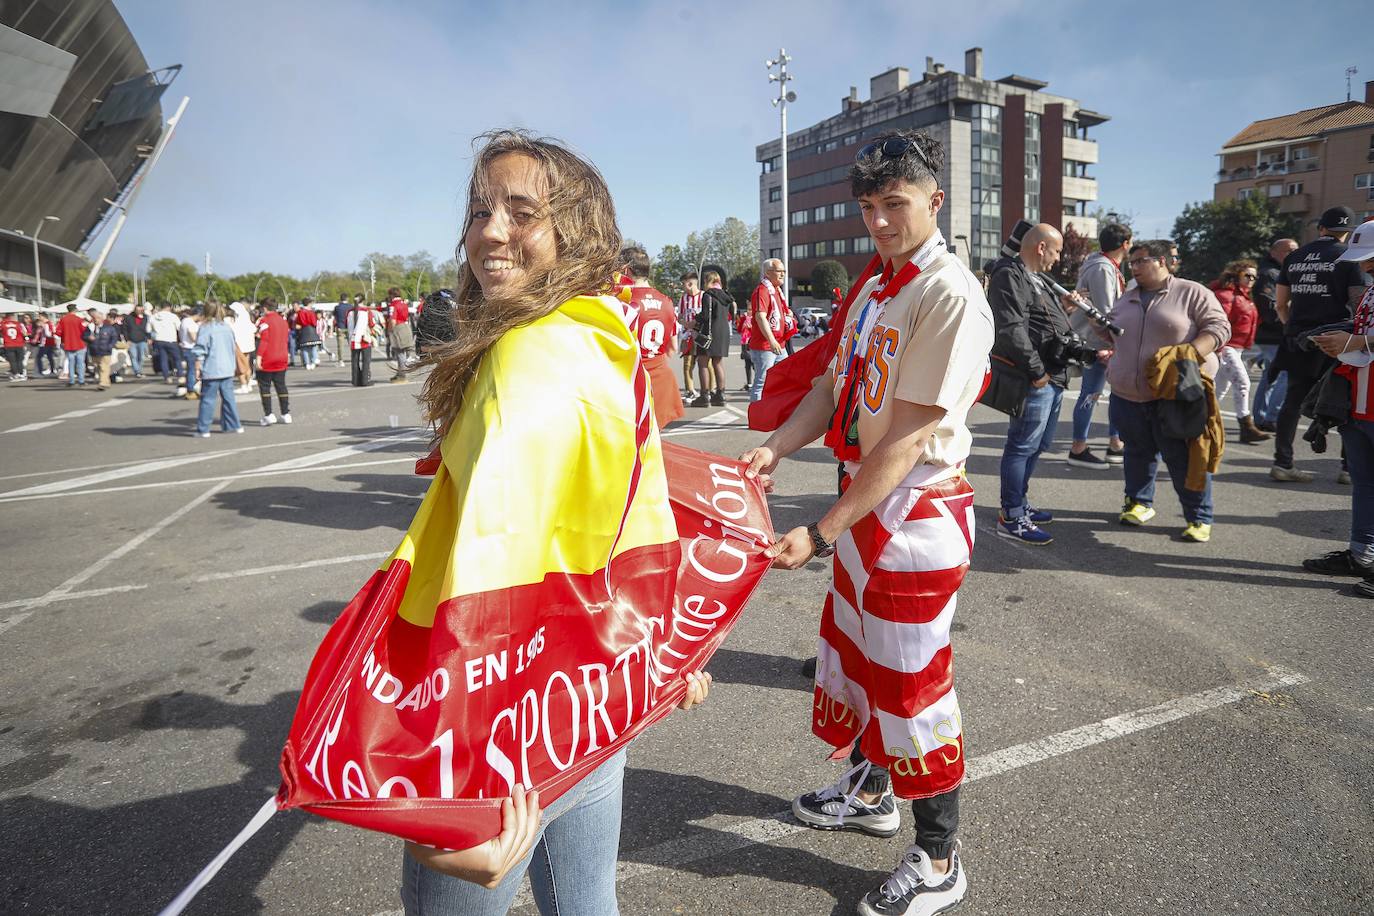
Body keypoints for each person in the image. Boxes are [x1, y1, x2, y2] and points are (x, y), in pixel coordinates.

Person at [398, 128, 711, 916]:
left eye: (521, 211)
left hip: (508, 732)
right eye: (478, 209)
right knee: (586, 904)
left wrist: (461, 792)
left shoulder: (525, 359)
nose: (490, 231)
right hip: (592, 700)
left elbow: (489, 588)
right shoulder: (595, 336)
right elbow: (638, 506)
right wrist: (661, 648)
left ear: (574, 229)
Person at [740, 128, 991, 916]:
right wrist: (774, 448)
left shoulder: (946, 293)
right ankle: (874, 792)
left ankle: (941, 857)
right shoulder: (879, 286)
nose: (881, 220)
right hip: (867, 499)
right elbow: (829, 389)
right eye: (870, 206)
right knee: (856, 660)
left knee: (913, 688)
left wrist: (820, 531)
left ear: (933, 201)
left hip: (914, 509)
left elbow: (911, 438)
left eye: (897, 204)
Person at [1107, 240, 1230, 542]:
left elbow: (1219, 328)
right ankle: (1138, 502)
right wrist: (1093, 321)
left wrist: (1187, 354)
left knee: (1184, 458)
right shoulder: (1128, 297)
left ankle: (1198, 517)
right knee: (1137, 452)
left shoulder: (1191, 292)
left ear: (1161, 261)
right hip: (1127, 394)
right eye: (1131, 263)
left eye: (1140, 261)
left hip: (1175, 393)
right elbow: (1113, 332)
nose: (1133, 267)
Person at [988, 223, 1086, 544]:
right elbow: (1011, 328)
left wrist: (1066, 308)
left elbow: (1044, 322)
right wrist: (1036, 372)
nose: (1058, 259)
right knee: (1021, 445)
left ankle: (1021, 503)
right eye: (1056, 251)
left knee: (1038, 445)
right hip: (1036, 378)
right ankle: (1012, 514)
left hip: (1052, 376)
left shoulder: (1039, 280)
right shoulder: (1009, 274)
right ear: (1041, 247)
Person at [1271, 207, 1371, 482]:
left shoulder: (1294, 256)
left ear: (1321, 228)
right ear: (1348, 232)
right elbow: (1358, 303)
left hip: (1299, 339)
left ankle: (1283, 463)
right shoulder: (1349, 258)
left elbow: (1280, 304)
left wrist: (1293, 328)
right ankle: (1347, 468)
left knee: (1292, 403)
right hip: (1337, 339)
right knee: (1344, 402)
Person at [1304, 219, 1374, 594]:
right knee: (1364, 484)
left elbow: (1362, 338)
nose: (1364, 266)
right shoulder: (1369, 291)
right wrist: (1333, 336)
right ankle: (1363, 555)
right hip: (1359, 401)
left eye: (1370, 259)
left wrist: (1354, 341)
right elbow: (1359, 332)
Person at [1067, 222, 1131, 468]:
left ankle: (1115, 443)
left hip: (1102, 340)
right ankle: (1079, 447)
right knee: (1091, 393)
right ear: (1125, 244)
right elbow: (1106, 310)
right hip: (1099, 342)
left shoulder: (1102, 265)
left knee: (1117, 393)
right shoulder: (1103, 268)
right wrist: (1115, 339)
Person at [621, 245, 685, 428]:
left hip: (630, 381)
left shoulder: (623, 301)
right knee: (654, 447)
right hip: (661, 378)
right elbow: (673, 347)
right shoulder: (667, 301)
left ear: (626, 269)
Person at [1209, 260, 1269, 444]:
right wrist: (1217, 349)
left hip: (1238, 348)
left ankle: (1202, 425)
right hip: (1226, 346)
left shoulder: (1244, 296)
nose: (1251, 279)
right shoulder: (1226, 295)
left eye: (1254, 276)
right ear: (1236, 275)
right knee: (1243, 382)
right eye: (1247, 275)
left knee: (1218, 390)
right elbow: (1218, 323)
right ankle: (1246, 426)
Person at [1251, 238, 1298, 431]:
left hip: (1274, 335)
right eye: (1288, 250)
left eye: (1295, 250)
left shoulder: (1280, 272)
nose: (1293, 254)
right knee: (1285, 374)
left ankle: (1262, 417)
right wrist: (1290, 315)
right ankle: (1272, 417)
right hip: (1273, 335)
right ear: (1273, 253)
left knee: (1270, 376)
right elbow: (1268, 306)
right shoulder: (1270, 273)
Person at [190, 301, 244, 437]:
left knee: (208, 400)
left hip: (212, 368)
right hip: (227, 368)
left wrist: (198, 367)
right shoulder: (226, 327)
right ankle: (234, 425)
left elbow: (201, 350)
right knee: (229, 399)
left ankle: (204, 429)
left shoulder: (205, 328)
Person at [747, 259, 788, 401]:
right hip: (765, 346)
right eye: (779, 271)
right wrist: (772, 340)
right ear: (768, 273)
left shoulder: (776, 291)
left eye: (784, 271)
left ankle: (771, 414)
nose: (783, 274)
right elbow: (760, 317)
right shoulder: (762, 290)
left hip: (779, 345)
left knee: (784, 379)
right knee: (761, 382)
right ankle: (756, 419)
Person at [694, 270, 734, 407]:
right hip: (723, 333)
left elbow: (705, 316)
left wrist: (695, 317)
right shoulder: (726, 296)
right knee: (718, 363)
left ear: (707, 281)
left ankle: (704, 395)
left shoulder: (708, 295)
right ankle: (720, 394)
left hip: (709, 332)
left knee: (703, 363)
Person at [255, 298, 292, 425]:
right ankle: (286, 413)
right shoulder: (283, 321)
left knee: (265, 387)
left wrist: (259, 357)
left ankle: (269, 414)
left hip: (268, 357)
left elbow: (264, 340)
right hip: (282, 356)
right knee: (281, 385)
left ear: (264, 308)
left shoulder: (264, 321)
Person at [677, 272, 702, 401]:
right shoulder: (683, 298)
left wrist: (696, 325)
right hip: (688, 336)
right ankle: (690, 390)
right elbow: (679, 316)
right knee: (687, 364)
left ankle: (709, 389)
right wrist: (684, 323)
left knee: (706, 364)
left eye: (684, 284)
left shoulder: (704, 296)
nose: (683, 287)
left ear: (691, 283)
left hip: (701, 335)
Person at [385, 287, 416, 382]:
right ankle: (400, 373)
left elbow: (392, 320)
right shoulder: (404, 303)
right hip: (405, 326)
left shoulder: (393, 305)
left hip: (397, 328)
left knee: (399, 353)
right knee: (402, 352)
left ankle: (402, 374)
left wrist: (389, 331)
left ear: (392, 295)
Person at [56, 302, 89, 387]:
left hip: (68, 344)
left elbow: (58, 332)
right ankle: (81, 380)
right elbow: (84, 330)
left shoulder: (63, 320)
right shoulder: (79, 319)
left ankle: (71, 381)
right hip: (79, 343)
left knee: (71, 362)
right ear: (75, 310)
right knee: (80, 363)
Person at [228, 301, 258, 393]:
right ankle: (248, 383)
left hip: (238, 345)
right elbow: (254, 329)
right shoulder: (246, 318)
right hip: (248, 345)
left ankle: (243, 384)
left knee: (240, 366)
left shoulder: (235, 321)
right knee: (247, 365)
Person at [150, 302, 181, 384]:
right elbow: (179, 327)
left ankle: (167, 377)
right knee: (177, 358)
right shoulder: (173, 316)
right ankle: (180, 375)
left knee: (163, 359)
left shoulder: (153, 317)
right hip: (171, 339)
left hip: (159, 339)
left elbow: (148, 329)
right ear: (169, 307)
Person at [348, 296, 375, 387]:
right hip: (364, 339)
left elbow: (346, 324)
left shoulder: (349, 311)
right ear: (363, 300)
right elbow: (371, 324)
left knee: (355, 361)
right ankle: (364, 380)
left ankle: (355, 380)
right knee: (366, 361)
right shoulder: (366, 311)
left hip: (352, 338)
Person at [89, 311, 120, 390]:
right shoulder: (90, 328)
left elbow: (114, 338)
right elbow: (83, 336)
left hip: (105, 351)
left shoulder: (109, 328)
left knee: (104, 367)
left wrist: (110, 346)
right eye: (94, 318)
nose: (96, 320)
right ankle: (106, 382)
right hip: (94, 351)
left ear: (102, 319)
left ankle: (102, 383)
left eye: (98, 318)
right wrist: (88, 338)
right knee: (98, 367)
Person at [177, 306, 200, 399]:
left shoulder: (184, 321)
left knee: (189, 370)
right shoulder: (191, 323)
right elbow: (193, 337)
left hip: (184, 347)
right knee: (192, 370)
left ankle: (189, 387)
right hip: (191, 347)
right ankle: (191, 389)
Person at [121, 303, 150, 378]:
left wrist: (149, 338)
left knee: (141, 357)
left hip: (142, 340)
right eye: (137, 310)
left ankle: (139, 370)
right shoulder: (128, 317)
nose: (139, 311)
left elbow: (148, 328)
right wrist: (127, 339)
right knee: (133, 356)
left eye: (141, 310)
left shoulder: (146, 317)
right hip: (132, 340)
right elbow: (124, 329)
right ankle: (137, 371)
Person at [296, 298, 322, 370]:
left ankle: (307, 363)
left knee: (304, 348)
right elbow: (314, 322)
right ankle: (313, 361)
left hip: (303, 330)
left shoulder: (300, 312)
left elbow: (298, 322)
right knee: (313, 347)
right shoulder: (311, 312)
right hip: (311, 330)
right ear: (309, 303)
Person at [333, 294, 352, 366]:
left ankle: (341, 360)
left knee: (340, 345)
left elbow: (335, 316)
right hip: (349, 327)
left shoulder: (337, 307)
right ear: (347, 299)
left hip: (340, 327)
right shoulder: (350, 307)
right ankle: (354, 358)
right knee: (351, 344)